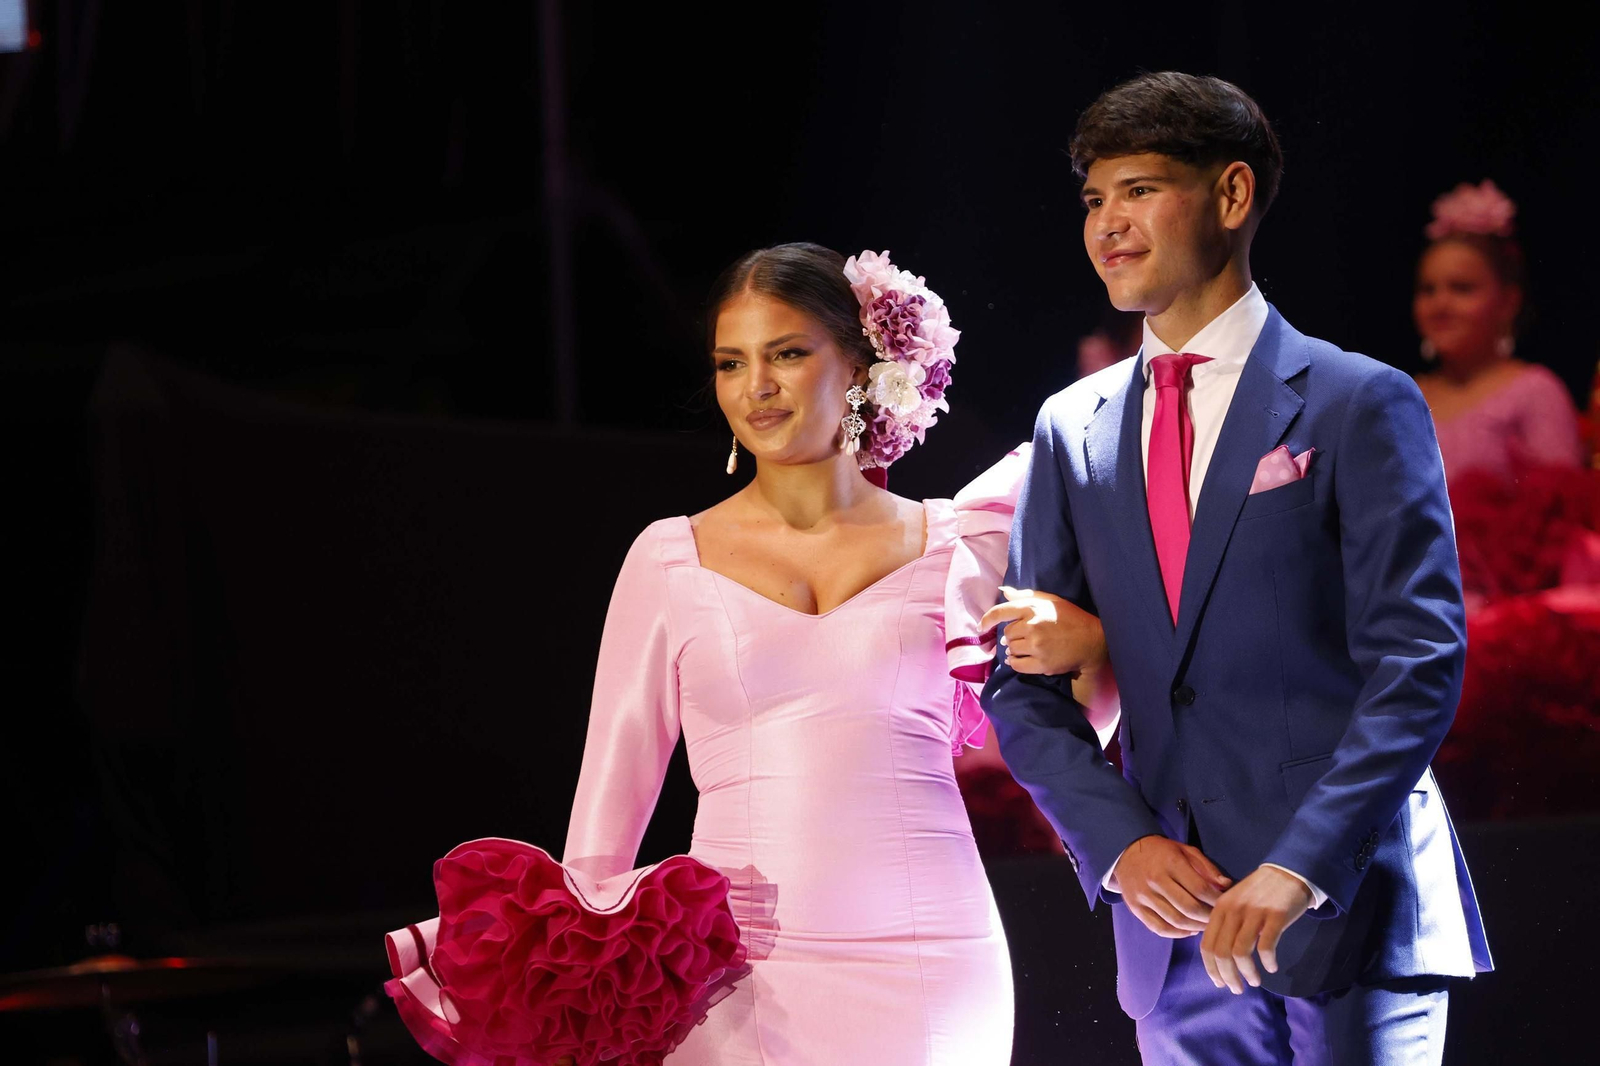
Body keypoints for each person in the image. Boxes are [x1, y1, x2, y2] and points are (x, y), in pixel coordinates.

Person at [386, 242, 1107, 1065]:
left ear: (862, 365)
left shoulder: (961, 546)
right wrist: (583, 986)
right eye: (732, 362)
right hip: (735, 974)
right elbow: (604, 818)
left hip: (934, 958)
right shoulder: (668, 559)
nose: (755, 387)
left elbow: (1056, 728)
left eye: (789, 354)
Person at [980, 72, 1492, 1066]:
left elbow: (1419, 660)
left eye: (1136, 189)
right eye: (1093, 198)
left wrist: (1300, 864)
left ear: (1230, 195)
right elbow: (1021, 689)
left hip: (1346, 910)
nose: (1107, 224)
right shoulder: (1071, 428)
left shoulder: (1356, 400)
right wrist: (1121, 846)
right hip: (1170, 934)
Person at [1413, 179, 1584, 481]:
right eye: (1428, 289)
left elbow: (1560, 514)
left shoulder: (1536, 391)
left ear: (1507, 302)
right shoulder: (1406, 393)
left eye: (1462, 288)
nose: (1440, 304)